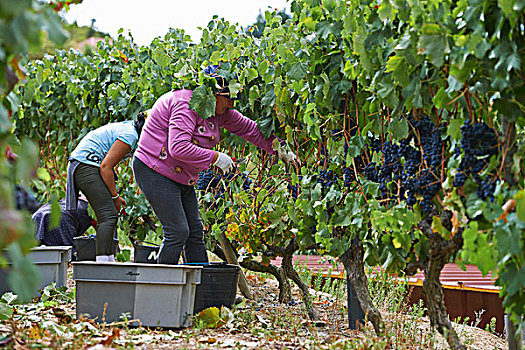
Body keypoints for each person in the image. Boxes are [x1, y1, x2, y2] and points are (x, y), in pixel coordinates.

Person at [132, 65, 296, 265]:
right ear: (215, 93)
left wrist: (278, 148)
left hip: (180, 174)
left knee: (194, 233)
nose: (233, 103)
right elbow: (178, 147)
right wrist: (216, 157)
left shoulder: (220, 111)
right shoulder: (186, 103)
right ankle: (161, 291)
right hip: (154, 169)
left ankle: (201, 291)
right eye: (229, 98)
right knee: (177, 232)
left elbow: (250, 129)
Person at [66, 112, 147, 262]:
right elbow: (105, 167)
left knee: (108, 215)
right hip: (86, 164)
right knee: (108, 215)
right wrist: (115, 197)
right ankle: (103, 265)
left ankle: (108, 262)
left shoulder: (130, 129)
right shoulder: (131, 135)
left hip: (86, 164)